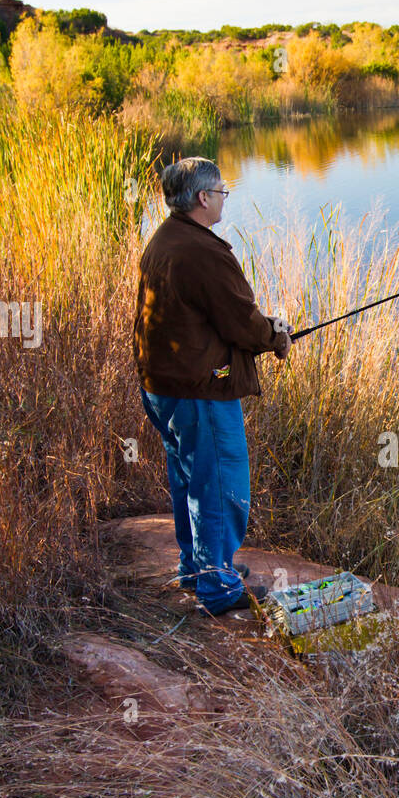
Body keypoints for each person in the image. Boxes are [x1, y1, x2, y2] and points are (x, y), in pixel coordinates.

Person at [133, 156, 292, 614]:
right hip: (199, 390)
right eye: (222, 191)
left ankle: (198, 566)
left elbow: (208, 315)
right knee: (219, 483)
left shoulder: (165, 238)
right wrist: (274, 337)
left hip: (162, 386)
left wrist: (263, 329)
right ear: (203, 198)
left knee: (189, 478)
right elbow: (241, 321)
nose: (225, 198)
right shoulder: (203, 251)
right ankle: (218, 587)